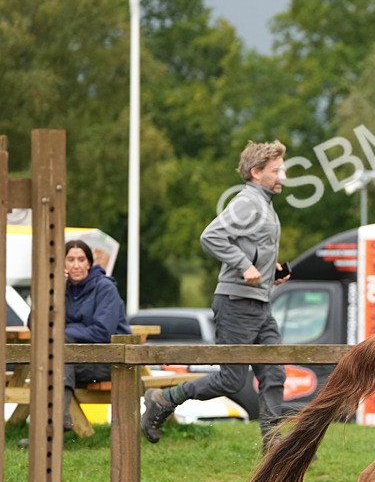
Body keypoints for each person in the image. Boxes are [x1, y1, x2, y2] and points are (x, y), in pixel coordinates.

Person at [140, 140, 290, 447]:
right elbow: (211, 236)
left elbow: (251, 245)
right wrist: (244, 265)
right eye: (276, 171)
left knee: (274, 373)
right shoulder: (248, 201)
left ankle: (274, 444)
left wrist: (269, 269)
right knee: (231, 380)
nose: (283, 176)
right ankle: (163, 399)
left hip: (259, 303)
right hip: (237, 304)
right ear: (256, 172)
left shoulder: (264, 204)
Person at [63, 239, 131, 431]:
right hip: (74, 360)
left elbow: (102, 331)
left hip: (108, 361)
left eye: (81, 259)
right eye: (70, 260)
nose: (76, 265)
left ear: (89, 263)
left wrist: (65, 330)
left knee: (54, 361)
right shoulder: (61, 288)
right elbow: (35, 324)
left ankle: (54, 424)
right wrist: (53, 289)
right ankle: (56, 423)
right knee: (48, 363)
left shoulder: (105, 288)